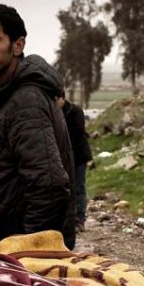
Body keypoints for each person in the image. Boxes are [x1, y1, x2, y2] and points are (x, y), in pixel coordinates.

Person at [0, 4, 75, 253]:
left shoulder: (26, 100)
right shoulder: (7, 93)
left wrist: (23, 251)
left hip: (15, 256)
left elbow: (49, 185)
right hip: (4, 247)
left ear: (17, 45)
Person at [57, 94, 92, 231]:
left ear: (62, 98)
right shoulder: (54, 112)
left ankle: (79, 219)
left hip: (78, 156)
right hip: (64, 157)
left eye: (56, 100)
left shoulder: (75, 111)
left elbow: (77, 133)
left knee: (78, 187)